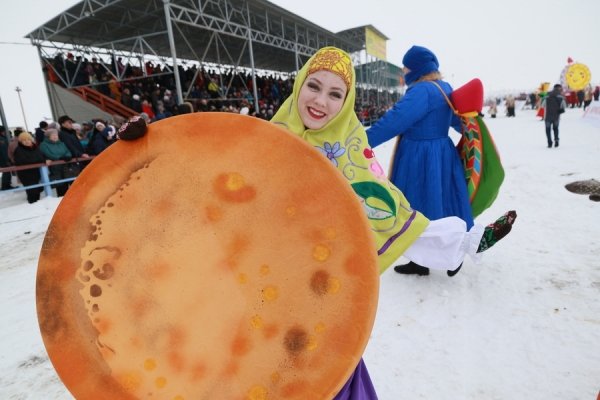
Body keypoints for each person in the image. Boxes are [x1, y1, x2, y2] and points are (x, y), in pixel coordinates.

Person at [271, 46, 516, 399]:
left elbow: (385, 209)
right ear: (298, 85)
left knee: (398, 210)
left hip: (318, 282)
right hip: (264, 278)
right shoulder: (267, 137)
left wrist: (360, 140)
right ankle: (457, 246)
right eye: (314, 87)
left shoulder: (358, 139)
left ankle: (459, 243)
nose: (321, 101)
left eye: (335, 93)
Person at [366, 45, 475, 277]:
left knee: (416, 205)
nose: (403, 72)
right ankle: (426, 259)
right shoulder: (444, 88)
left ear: (415, 69)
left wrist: (364, 141)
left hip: (420, 158)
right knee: (442, 204)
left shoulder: (421, 91)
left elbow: (396, 120)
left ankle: (441, 257)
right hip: (442, 155)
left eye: (406, 67)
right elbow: (458, 122)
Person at [13, 132, 46, 203]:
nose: (27, 141)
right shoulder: (18, 150)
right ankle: (32, 204)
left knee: (38, 190)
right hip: (26, 174)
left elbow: (42, 157)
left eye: (28, 139)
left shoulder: (36, 148)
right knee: (32, 192)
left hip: (37, 172)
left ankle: (36, 204)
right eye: (24, 140)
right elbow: (23, 161)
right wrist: (37, 160)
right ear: (21, 141)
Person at [39, 128, 72, 196]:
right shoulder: (44, 145)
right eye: (53, 135)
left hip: (65, 167)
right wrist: (60, 157)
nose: (55, 136)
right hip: (55, 168)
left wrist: (67, 156)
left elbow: (68, 151)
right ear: (48, 136)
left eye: (56, 135)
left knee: (68, 184)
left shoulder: (61, 143)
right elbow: (49, 154)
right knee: (60, 185)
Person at [542, 84, 566, 148]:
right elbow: (564, 106)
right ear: (559, 88)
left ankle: (549, 142)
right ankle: (556, 140)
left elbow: (543, 105)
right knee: (556, 128)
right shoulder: (560, 96)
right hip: (556, 116)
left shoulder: (547, 95)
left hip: (547, 116)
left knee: (548, 129)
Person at [1, 125, 15, 190]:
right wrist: (7, 160)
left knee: (6, 172)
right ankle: (5, 186)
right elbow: (4, 151)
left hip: (3, 159)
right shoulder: (2, 140)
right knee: (6, 172)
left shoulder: (3, 138)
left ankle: (6, 185)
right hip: (3, 159)